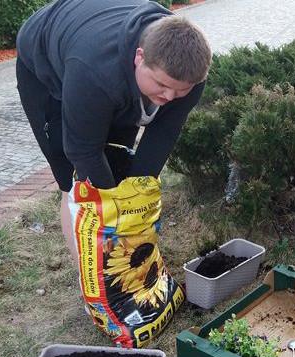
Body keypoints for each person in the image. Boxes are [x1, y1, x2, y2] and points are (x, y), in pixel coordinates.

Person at [16, 0, 211, 261]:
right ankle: (93, 281)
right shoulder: (95, 74)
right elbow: (83, 152)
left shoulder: (191, 75)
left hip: (104, 59)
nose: (169, 97)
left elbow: (162, 135)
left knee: (119, 166)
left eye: (180, 91)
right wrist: (111, 208)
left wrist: (135, 198)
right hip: (46, 67)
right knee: (76, 183)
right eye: (161, 85)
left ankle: (122, 263)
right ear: (139, 57)